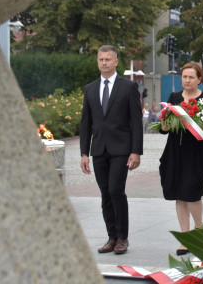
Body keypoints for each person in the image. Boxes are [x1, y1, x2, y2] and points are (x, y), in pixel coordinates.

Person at [80, 45, 143, 255]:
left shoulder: (128, 87)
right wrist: (83, 153)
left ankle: (123, 238)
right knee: (105, 194)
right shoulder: (90, 89)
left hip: (121, 149)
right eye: (101, 59)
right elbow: (85, 124)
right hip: (99, 150)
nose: (104, 62)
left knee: (116, 190)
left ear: (116, 62)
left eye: (108, 59)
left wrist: (136, 151)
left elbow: (136, 121)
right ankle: (112, 237)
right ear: (97, 62)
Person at [158, 62, 203, 256]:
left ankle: (199, 235)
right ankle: (185, 238)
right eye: (184, 77)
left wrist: (200, 124)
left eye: (192, 77)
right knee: (179, 194)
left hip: (197, 154)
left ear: (200, 79)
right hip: (175, 153)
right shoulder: (174, 98)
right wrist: (166, 123)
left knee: (192, 194)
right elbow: (163, 128)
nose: (187, 80)